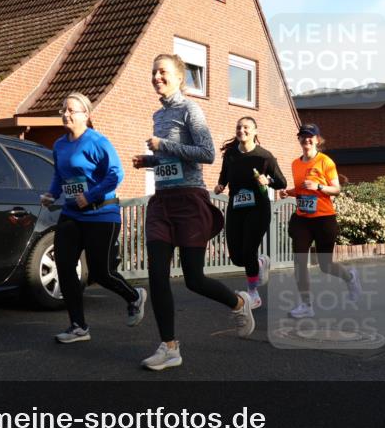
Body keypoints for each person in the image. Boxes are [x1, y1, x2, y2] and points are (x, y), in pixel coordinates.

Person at [131, 54, 255, 371]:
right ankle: (169, 347)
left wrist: (164, 146)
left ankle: (239, 303)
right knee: (156, 275)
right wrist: (149, 161)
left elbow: (207, 154)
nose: (157, 77)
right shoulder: (158, 115)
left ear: (179, 77)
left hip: (188, 200)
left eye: (163, 72)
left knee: (194, 279)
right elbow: (168, 157)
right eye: (154, 72)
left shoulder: (190, 110)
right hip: (162, 202)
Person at [41, 92, 146, 344]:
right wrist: (51, 194)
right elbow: (60, 175)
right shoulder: (59, 145)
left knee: (101, 272)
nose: (65, 114)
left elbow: (116, 174)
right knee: (64, 268)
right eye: (63, 109)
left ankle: (134, 296)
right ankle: (78, 326)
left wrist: (90, 195)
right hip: (71, 215)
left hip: (101, 214)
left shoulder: (97, 141)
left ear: (86, 115)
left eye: (71, 110)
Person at [279, 123, 361, 318]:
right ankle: (306, 305)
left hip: (324, 218)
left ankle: (350, 277)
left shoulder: (326, 161)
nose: (306, 139)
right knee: (299, 261)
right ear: (299, 139)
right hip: (302, 218)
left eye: (310, 136)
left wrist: (318, 186)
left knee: (325, 265)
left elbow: (337, 190)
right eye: (303, 136)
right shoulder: (295, 164)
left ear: (317, 139)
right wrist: (288, 192)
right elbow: (301, 189)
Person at [214, 117, 287, 309]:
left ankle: (253, 293)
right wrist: (221, 184)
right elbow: (224, 175)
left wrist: (268, 181)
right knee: (237, 257)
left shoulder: (265, 156)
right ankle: (260, 262)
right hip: (236, 209)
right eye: (239, 127)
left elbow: (282, 182)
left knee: (248, 250)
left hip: (258, 209)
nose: (241, 130)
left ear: (255, 131)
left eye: (246, 127)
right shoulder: (230, 154)